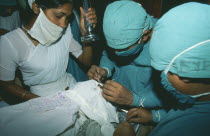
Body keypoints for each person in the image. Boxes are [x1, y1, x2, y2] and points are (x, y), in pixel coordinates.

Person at [116, 2, 210, 136]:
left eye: (164, 71)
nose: (161, 78)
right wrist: (153, 117)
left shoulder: (189, 128)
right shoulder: (196, 101)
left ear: (186, 76)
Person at [0, 0, 97, 104]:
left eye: (67, 18)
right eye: (59, 16)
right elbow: (6, 85)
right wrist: (42, 101)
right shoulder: (11, 42)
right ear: (36, 7)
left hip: (71, 90)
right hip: (41, 98)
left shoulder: (64, 31)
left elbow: (86, 61)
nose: (64, 24)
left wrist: (86, 35)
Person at [88, 0, 162, 109]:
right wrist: (105, 70)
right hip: (117, 98)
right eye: (112, 47)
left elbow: (172, 97)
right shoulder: (117, 30)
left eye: (123, 49)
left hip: (146, 106)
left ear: (144, 36)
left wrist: (134, 100)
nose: (116, 53)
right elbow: (108, 55)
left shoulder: (165, 43)